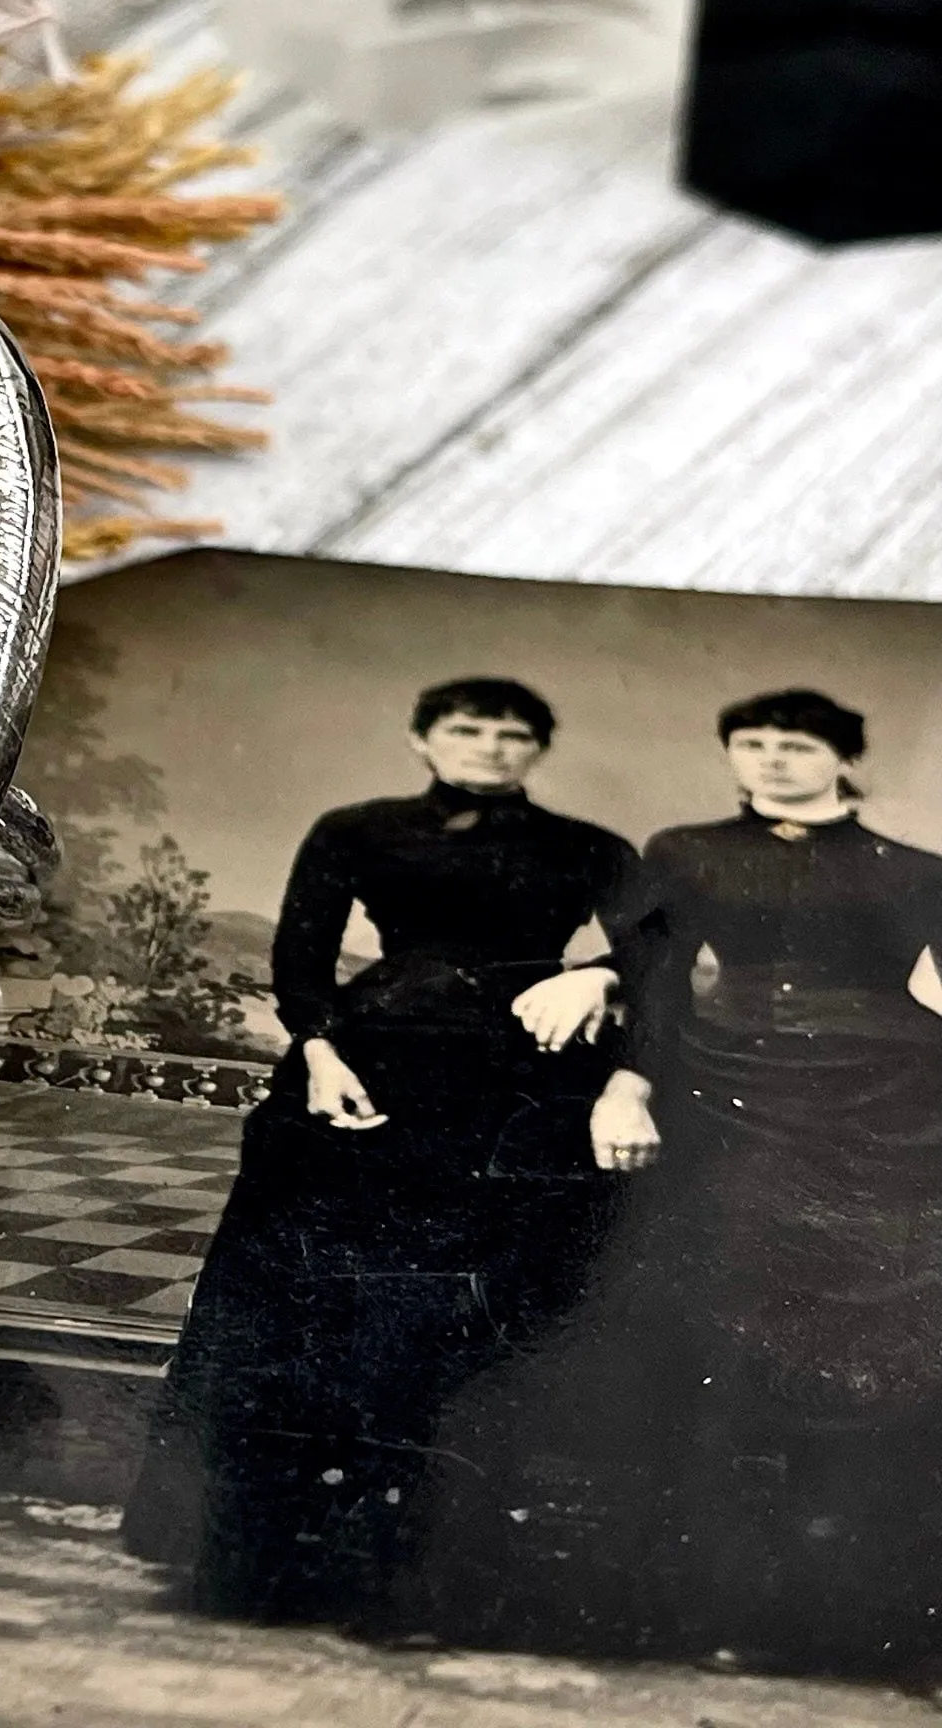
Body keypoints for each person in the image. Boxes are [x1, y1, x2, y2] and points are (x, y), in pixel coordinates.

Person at [407, 689, 942, 1680]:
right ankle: (695, 1605)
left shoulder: (913, 870)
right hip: (729, 1088)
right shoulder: (686, 847)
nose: (771, 758)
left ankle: (835, 1617)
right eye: (750, 741)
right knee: (709, 1337)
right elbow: (647, 960)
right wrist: (604, 997)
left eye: (796, 743)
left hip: (880, 1105)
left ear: (844, 757)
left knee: (860, 1336)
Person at [122, 676, 651, 1623]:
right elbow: (300, 957)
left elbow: (658, 940)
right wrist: (320, 1057)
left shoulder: (590, 848)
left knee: (452, 1319)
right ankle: (259, 1557)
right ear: (422, 739)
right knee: (306, 1301)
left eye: (513, 733)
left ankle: (414, 1566)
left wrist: (600, 972)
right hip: (363, 1073)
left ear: (537, 750)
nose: (490, 746)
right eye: (467, 728)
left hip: (515, 1093)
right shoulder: (356, 829)